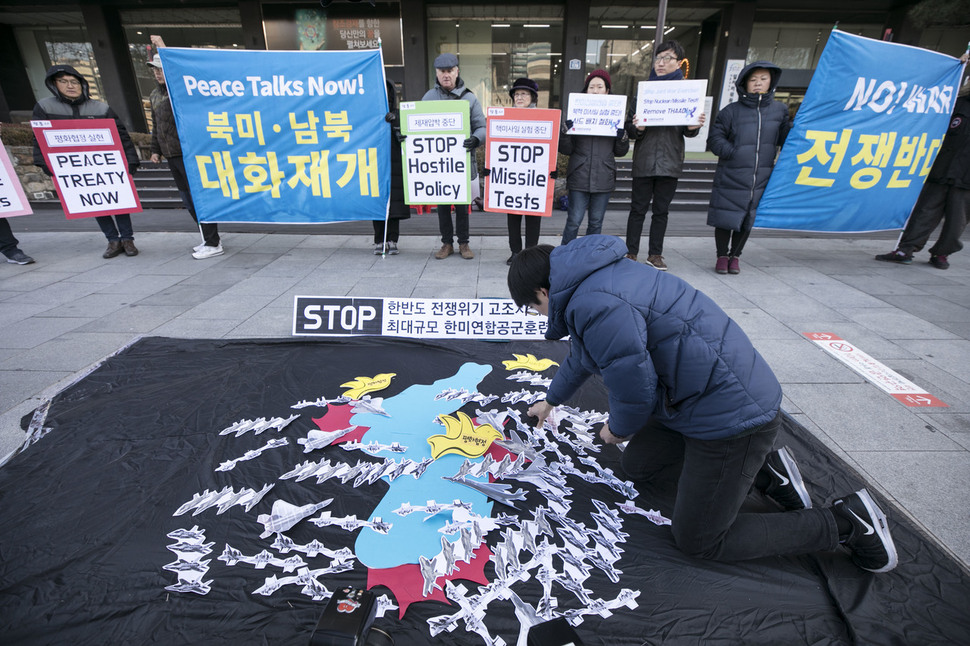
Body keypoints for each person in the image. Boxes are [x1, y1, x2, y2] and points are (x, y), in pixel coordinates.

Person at [508, 235, 898, 573]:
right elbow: (584, 354)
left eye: (532, 306)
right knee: (639, 466)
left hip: (729, 415)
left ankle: (846, 523)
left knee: (700, 540)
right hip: (692, 396)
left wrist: (620, 428)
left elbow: (634, 386)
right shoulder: (596, 278)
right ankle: (768, 471)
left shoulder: (592, 304)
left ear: (543, 292)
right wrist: (550, 400)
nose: (537, 314)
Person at [32, 65, 140, 259]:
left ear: (82, 84)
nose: (70, 86)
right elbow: (39, 139)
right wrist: (44, 163)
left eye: (74, 82)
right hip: (76, 168)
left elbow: (122, 136)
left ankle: (127, 239)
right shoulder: (45, 107)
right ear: (54, 85)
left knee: (120, 201)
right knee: (95, 203)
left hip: (107, 165)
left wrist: (131, 159)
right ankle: (112, 240)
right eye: (64, 82)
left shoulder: (100, 108)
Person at [875, 66, 970, 270]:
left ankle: (941, 253)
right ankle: (905, 250)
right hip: (941, 170)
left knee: (957, 221)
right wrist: (960, 65)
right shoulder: (957, 103)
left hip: (966, 179)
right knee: (924, 212)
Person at [624, 41, 705, 270]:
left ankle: (655, 254)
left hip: (670, 160)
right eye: (658, 58)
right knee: (637, 209)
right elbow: (630, 128)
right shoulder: (644, 93)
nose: (660, 63)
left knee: (661, 211)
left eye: (667, 58)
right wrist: (637, 128)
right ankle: (630, 252)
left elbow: (690, 131)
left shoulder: (687, 92)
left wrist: (693, 126)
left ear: (678, 62)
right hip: (644, 160)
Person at [706, 61, 790, 275]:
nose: (758, 83)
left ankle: (736, 256)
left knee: (748, 218)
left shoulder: (780, 111)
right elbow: (715, 139)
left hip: (761, 176)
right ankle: (722, 255)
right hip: (732, 174)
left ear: (771, 82)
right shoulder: (730, 112)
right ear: (744, 83)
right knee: (726, 217)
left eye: (763, 79)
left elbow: (786, 139)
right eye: (753, 80)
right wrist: (733, 153)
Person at [147, 42, 223, 260]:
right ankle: (209, 237)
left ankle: (213, 241)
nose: (158, 73)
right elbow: (156, 126)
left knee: (199, 198)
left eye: (161, 68)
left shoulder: (182, 91)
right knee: (188, 199)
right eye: (155, 69)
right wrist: (155, 149)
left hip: (188, 153)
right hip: (171, 154)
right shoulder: (154, 95)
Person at [421, 53, 486, 260]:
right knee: (442, 206)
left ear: (457, 71)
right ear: (437, 73)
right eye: (442, 72)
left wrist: (476, 139)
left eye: (450, 71)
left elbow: (481, 127)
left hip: (462, 163)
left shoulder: (469, 97)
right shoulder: (429, 97)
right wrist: (408, 136)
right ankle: (446, 243)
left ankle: (464, 243)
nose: (446, 75)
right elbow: (416, 126)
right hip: (438, 165)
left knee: (462, 205)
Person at [559, 70, 629, 246]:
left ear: (607, 91)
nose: (595, 90)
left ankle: (590, 258)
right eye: (591, 87)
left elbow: (621, 152)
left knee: (596, 222)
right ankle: (565, 255)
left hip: (604, 176)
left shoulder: (615, 114)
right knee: (573, 221)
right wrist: (566, 133)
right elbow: (566, 149)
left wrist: (622, 137)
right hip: (579, 175)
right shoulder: (576, 113)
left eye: (600, 87)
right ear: (586, 90)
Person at [505, 78, 543, 265]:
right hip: (512, 175)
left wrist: (551, 169)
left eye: (524, 93)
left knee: (533, 216)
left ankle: (530, 252)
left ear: (532, 97)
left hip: (534, 175)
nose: (519, 97)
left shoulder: (543, 118)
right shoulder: (505, 117)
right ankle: (515, 252)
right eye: (516, 94)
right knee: (513, 216)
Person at [375, 79, 410, 256]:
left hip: (395, 164)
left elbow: (407, 137)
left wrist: (395, 124)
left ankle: (392, 240)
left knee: (394, 206)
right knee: (377, 203)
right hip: (376, 163)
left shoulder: (399, 114)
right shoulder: (371, 115)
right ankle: (379, 240)